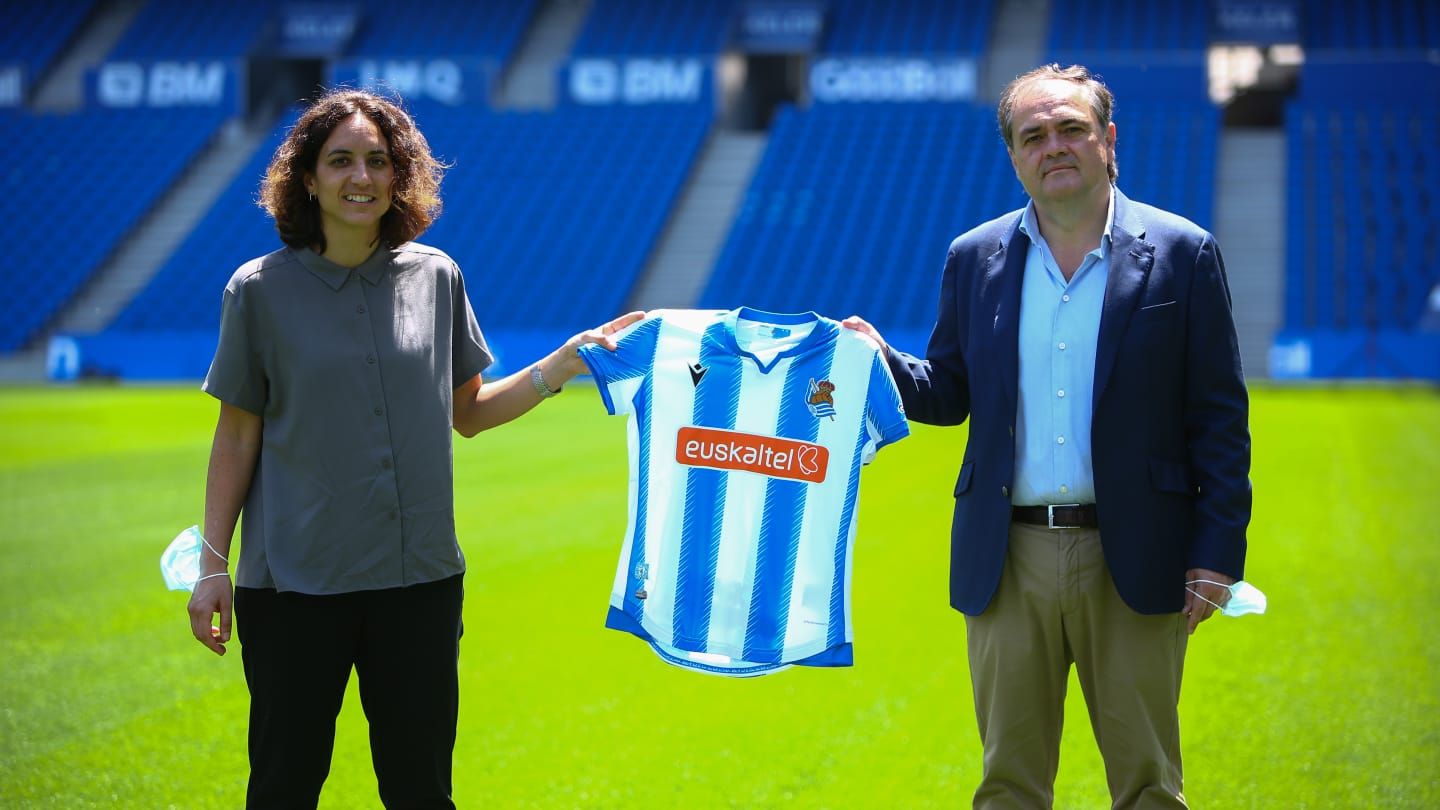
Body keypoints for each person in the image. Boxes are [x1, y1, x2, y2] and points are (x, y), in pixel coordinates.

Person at [185, 87, 641, 809]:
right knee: (283, 786)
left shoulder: (438, 276)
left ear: (401, 175)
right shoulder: (257, 291)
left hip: (419, 586)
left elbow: (470, 412)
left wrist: (562, 364)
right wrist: (212, 565)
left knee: (422, 791)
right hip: (296, 590)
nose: (360, 177)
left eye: (377, 160)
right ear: (307, 177)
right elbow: (236, 434)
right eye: (339, 161)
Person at [844, 64, 1251, 808]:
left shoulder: (1183, 251)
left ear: (1108, 140)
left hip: (1137, 555)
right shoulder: (976, 256)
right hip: (1007, 557)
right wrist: (881, 362)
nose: (1053, 145)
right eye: (1033, 135)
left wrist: (1217, 555)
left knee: (1149, 786)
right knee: (1008, 786)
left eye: (1071, 128)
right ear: (1014, 155)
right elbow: (950, 392)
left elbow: (1219, 417)